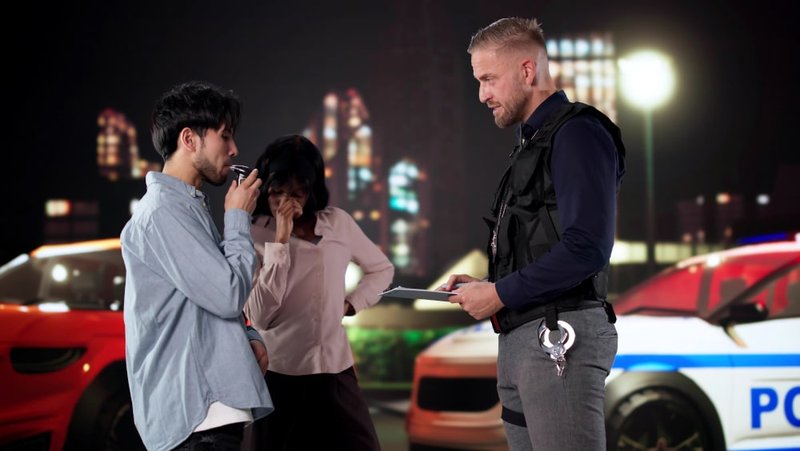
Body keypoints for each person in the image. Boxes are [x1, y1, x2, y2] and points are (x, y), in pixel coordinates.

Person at [441, 17, 626, 450]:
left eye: (488, 79)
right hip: (527, 337)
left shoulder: (578, 133)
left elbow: (587, 248)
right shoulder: (535, 141)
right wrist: (491, 287)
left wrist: (500, 293)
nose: (482, 95)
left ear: (527, 71)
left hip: (559, 335)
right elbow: (543, 241)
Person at [120, 80, 273, 451]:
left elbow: (200, 301)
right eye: (225, 135)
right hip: (198, 416)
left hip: (209, 411)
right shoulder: (163, 213)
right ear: (190, 140)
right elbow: (225, 295)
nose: (234, 148)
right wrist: (237, 217)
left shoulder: (187, 207)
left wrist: (247, 336)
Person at [243, 134, 394, 451]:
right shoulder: (253, 232)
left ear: (312, 190)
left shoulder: (337, 223)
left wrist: (351, 304)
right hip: (278, 374)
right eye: (278, 192)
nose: (287, 202)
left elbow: (382, 270)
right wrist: (281, 241)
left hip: (334, 370)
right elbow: (260, 315)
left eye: (298, 192)